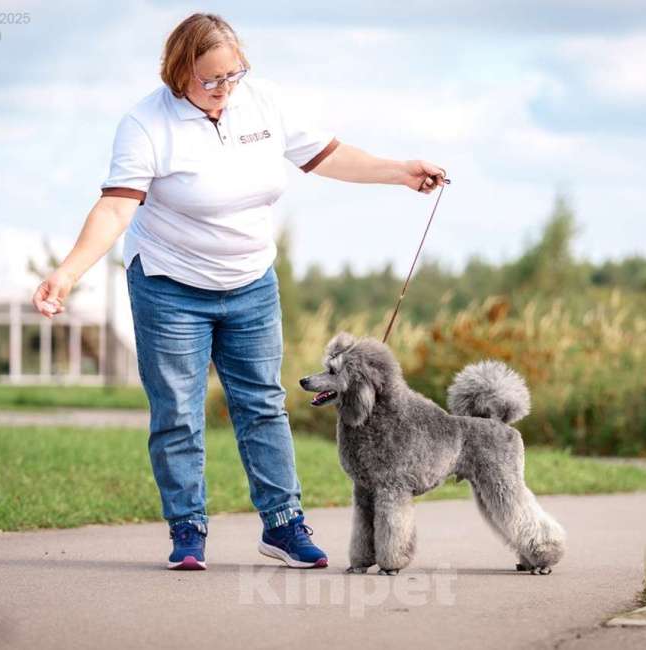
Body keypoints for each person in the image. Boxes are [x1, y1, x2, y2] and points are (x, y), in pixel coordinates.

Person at [31, 12, 446, 571]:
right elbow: (115, 208)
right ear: (179, 74)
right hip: (169, 286)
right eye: (211, 80)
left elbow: (328, 154)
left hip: (251, 282)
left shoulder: (263, 102)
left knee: (263, 404)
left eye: (235, 75)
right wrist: (68, 272)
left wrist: (400, 171)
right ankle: (187, 531)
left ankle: (282, 525)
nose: (225, 89)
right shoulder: (146, 124)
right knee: (178, 411)